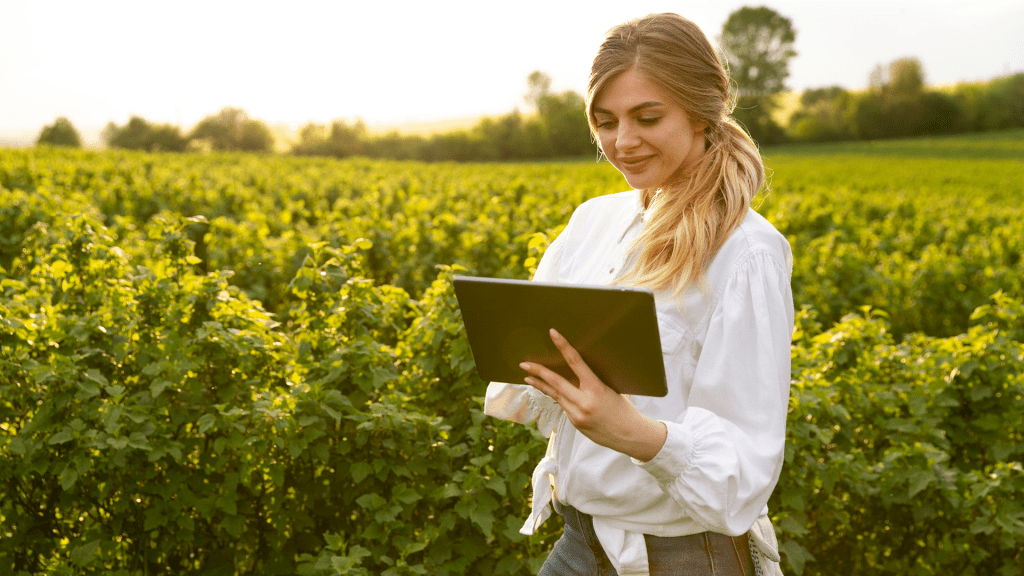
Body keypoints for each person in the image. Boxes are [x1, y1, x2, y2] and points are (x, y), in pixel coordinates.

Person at [483, 13, 793, 576]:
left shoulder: (746, 252)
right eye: (605, 122)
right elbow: (531, 384)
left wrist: (632, 432)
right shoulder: (592, 222)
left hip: (684, 557)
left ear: (703, 110)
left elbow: (742, 477)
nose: (622, 142)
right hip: (580, 541)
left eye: (647, 117)